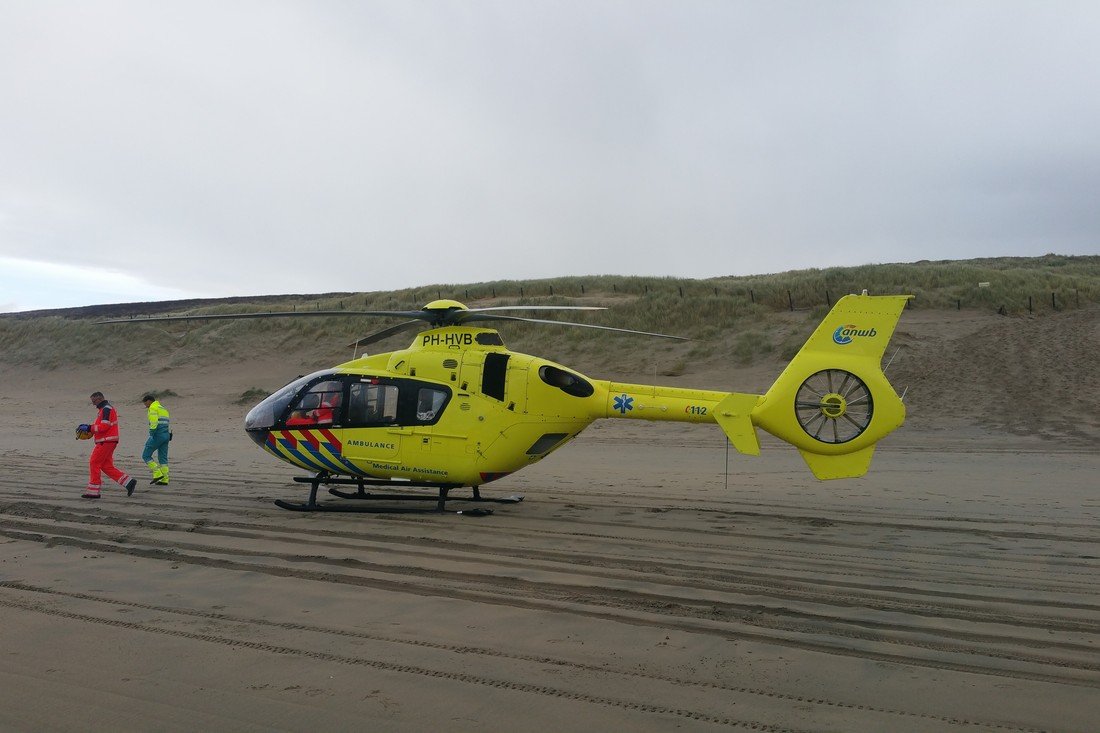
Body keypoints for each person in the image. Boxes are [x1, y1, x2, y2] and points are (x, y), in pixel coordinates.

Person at [79, 391, 137, 499]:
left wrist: (89, 428)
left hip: (106, 441)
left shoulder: (106, 409)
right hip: (109, 441)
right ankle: (129, 482)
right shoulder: (104, 409)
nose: (93, 404)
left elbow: (104, 427)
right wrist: (90, 429)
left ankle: (93, 492)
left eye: (94, 401)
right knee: (106, 466)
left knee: (94, 463)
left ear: (100, 399)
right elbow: (101, 426)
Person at [141, 394, 171, 485]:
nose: (145, 406)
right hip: (166, 435)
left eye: (145, 404)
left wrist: (152, 433)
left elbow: (154, 422)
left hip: (158, 435)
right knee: (163, 458)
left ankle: (157, 473)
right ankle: (165, 479)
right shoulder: (163, 408)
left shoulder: (153, 408)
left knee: (146, 455)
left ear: (149, 401)